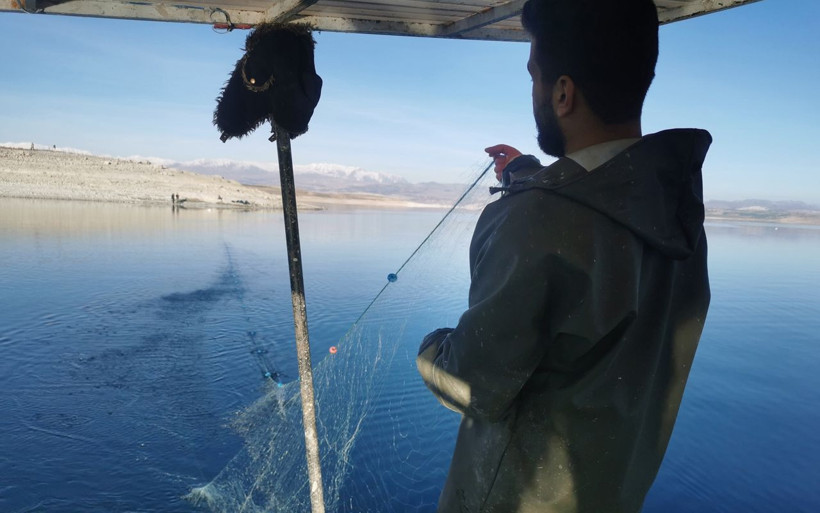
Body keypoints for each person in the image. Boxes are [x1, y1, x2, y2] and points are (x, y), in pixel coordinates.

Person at [416, 1, 712, 512]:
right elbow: (600, 202)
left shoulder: (535, 222)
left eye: (535, 76)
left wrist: (429, 350)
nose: (533, 90)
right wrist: (524, 171)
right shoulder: (674, 208)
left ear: (562, 92)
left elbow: (471, 383)